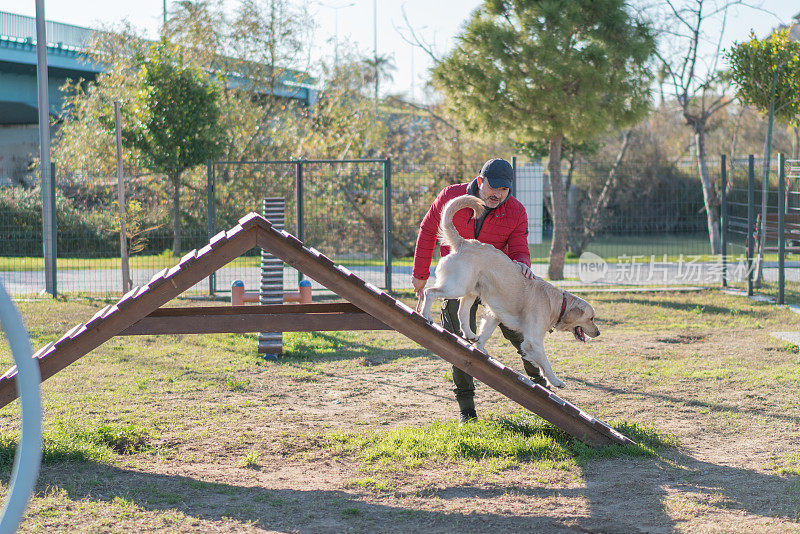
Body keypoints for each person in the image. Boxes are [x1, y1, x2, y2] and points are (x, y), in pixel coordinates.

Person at [412, 158, 548, 425]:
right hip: (459, 278)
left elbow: (519, 244)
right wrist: (420, 275)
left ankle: (542, 388)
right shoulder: (452, 195)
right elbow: (428, 230)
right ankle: (467, 410)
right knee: (459, 342)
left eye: (504, 190)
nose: (497, 194)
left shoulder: (515, 210)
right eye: (493, 188)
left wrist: (523, 263)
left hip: (494, 282)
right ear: (480, 180)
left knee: (520, 331)